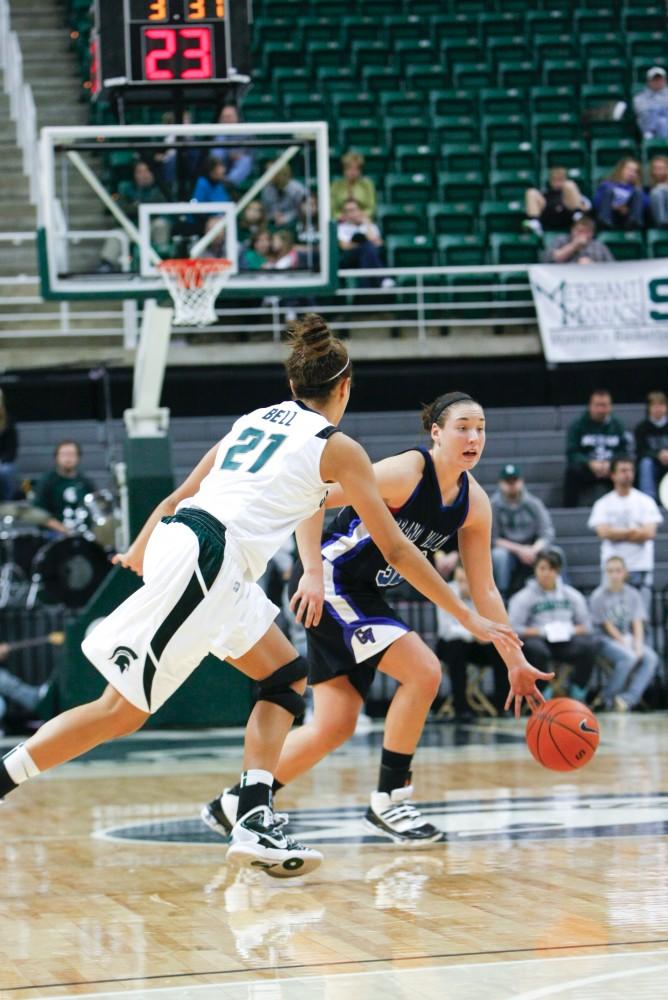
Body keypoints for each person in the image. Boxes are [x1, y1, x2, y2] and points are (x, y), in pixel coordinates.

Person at [0, 317, 524, 879]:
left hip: (203, 551)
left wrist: (140, 548)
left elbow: (180, 494)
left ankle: (252, 815)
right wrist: (464, 613)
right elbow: (396, 550)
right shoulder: (339, 447)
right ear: (343, 389)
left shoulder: (253, 419)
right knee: (118, 712)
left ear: (296, 384)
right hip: (210, 557)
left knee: (284, 675)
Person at [202, 391, 552, 846]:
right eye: (463, 427)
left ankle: (236, 803)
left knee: (335, 725)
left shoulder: (475, 504)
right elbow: (313, 496)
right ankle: (391, 799)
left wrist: (514, 660)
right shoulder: (405, 472)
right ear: (436, 433)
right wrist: (308, 569)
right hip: (330, 582)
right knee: (424, 670)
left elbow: (484, 588)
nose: (474, 437)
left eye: (481, 428)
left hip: (363, 594)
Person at [508, 550, 596, 703]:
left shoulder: (572, 595)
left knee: (590, 646)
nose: (546, 573)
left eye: (551, 569)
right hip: (538, 640)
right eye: (542, 568)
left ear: (558, 571)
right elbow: (514, 628)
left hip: (565, 640)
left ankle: (578, 691)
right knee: (536, 650)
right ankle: (543, 693)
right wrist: (541, 631)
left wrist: (569, 629)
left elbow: (587, 626)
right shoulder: (523, 597)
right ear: (535, 570)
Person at [435, 562, 509, 722]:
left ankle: (502, 705)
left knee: (501, 649)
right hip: (452, 643)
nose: (462, 585)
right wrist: (476, 632)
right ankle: (461, 708)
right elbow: (447, 630)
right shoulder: (445, 591)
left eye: (466, 581)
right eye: (459, 580)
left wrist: (485, 635)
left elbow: (495, 622)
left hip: (479, 644)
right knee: (456, 649)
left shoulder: (483, 592)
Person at [587, 456, 663, 599]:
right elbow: (603, 532)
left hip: (640, 564)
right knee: (613, 611)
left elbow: (649, 532)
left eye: (630, 470)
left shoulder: (646, 501)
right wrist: (633, 531)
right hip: (613, 567)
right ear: (613, 475)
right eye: (623, 470)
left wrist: (616, 533)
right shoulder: (603, 503)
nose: (627, 474)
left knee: (641, 614)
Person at [589, 556, 658, 712]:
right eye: (610, 571)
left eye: (618, 571)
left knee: (650, 658)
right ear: (606, 573)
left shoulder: (633, 594)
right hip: (604, 640)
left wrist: (639, 645)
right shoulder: (598, 595)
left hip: (628, 637)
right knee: (628, 657)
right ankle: (607, 698)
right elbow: (607, 625)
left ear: (625, 573)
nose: (614, 574)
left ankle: (626, 700)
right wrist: (624, 643)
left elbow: (637, 621)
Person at [490, 463, 563, 600]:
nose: (512, 485)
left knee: (556, 553)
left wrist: (533, 549)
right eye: (507, 481)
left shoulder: (534, 504)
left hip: (532, 548)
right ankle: (501, 595)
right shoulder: (493, 505)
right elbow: (492, 538)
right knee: (499, 556)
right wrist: (520, 550)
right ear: (500, 483)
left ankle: (560, 592)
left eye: (515, 480)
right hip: (509, 550)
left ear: (521, 481)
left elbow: (547, 532)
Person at [100, 160, 170, 272]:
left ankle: (162, 259)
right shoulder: (126, 189)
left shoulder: (160, 188)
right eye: (139, 172)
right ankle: (106, 264)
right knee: (116, 234)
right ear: (134, 175)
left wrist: (137, 205)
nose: (143, 175)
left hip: (151, 227)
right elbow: (122, 209)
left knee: (160, 224)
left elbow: (161, 207)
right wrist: (136, 207)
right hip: (133, 228)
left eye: (146, 171)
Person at [563, 389, 629, 507]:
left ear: (610, 407)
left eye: (604, 405)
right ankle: (569, 509)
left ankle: (630, 506)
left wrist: (611, 463)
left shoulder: (618, 426)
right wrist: (589, 463)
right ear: (590, 406)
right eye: (597, 405)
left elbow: (624, 451)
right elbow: (572, 452)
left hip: (611, 469)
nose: (600, 409)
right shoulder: (577, 426)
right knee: (572, 471)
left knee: (628, 471)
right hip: (587, 469)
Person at [33, 440, 95, 535]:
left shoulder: (85, 482)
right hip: (54, 534)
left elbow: (96, 510)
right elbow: (38, 514)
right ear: (56, 457)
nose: (68, 458)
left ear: (78, 457)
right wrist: (64, 530)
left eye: (71, 454)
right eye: (64, 454)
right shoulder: (47, 482)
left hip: (83, 532)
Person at [337, 197, 393, 288]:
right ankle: (383, 279)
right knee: (367, 247)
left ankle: (366, 286)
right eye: (347, 211)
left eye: (353, 210)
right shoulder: (341, 228)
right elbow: (344, 246)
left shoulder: (370, 226)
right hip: (349, 259)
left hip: (367, 258)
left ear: (360, 211)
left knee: (368, 251)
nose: (351, 214)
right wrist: (363, 244)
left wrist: (367, 224)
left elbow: (379, 244)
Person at [523, 166, 591, 238]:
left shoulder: (574, 193)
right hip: (549, 218)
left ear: (565, 179)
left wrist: (581, 208)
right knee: (531, 192)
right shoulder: (545, 195)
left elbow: (588, 207)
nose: (557, 183)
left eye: (560, 179)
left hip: (569, 219)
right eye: (554, 180)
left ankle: (577, 216)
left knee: (569, 185)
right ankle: (535, 223)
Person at [593, 158, 647, 231]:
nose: (631, 173)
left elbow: (646, 205)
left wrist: (638, 186)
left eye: (635, 171)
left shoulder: (636, 189)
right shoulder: (607, 184)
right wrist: (613, 206)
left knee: (638, 193)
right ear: (621, 169)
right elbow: (596, 202)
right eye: (629, 169)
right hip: (610, 215)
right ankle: (604, 223)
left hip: (627, 218)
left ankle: (634, 223)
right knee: (609, 191)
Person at [634, 390, 668, 503]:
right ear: (649, 408)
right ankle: (648, 501)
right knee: (645, 463)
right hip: (653, 463)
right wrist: (657, 454)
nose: (658, 409)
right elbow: (640, 451)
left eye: (661, 405)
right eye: (654, 405)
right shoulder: (641, 428)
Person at [211, 104, 254, 188]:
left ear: (236, 117)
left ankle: (229, 183)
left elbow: (250, 151)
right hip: (222, 163)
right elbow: (216, 155)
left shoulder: (245, 132)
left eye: (229, 116)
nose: (227, 119)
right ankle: (221, 179)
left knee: (245, 161)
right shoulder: (218, 134)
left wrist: (237, 154)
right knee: (219, 141)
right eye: (224, 117)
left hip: (238, 163)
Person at [542, 215, 613, 265]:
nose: (583, 235)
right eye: (580, 231)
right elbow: (550, 260)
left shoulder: (599, 246)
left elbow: (611, 267)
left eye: (587, 232)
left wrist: (593, 265)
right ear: (572, 230)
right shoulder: (560, 240)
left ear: (592, 233)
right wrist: (574, 245)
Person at [330, 151, 377, 220]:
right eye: (349, 168)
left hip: (363, 221)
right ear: (344, 169)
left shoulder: (367, 185)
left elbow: (371, 208)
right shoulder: (336, 185)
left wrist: (360, 216)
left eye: (356, 168)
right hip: (341, 222)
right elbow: (332, 209)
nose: (353, 172)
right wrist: (342, 217)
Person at [260, 164, 306, 229]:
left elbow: (303, 210)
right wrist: (273, 215)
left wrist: (286, 218)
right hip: (273, 223)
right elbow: (265, 210)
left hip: (295, 223)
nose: (268, 175)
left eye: (271, 173)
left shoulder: (297, 189)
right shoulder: (267, 189)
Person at [633, 66, 668, 140]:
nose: (657, 82)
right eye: (654, 80)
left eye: (659, 79)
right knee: (656, 112)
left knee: (663, 120)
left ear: (665, 80)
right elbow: (641, 112)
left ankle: (651, 132)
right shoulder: (640, 97)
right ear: (648, 81)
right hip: (646, 124)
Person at [0, 389, 18, 502]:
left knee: (5, 471)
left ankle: (6, 503)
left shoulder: (8, 423)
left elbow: (11, 452)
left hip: (3, 462)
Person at [647, 156, 668, 228]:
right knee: (656, 192)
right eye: (655, 168)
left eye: (661, 168)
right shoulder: (648, 189)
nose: (658, 171)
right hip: (658, 223)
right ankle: (663, 223)